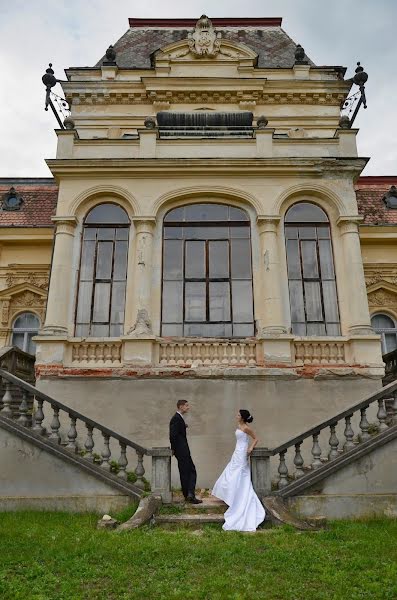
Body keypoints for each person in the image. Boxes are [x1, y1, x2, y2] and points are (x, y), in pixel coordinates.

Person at [212, 409, 265, 531]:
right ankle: (230, 493)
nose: (236, 416)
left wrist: (251, 447)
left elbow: (256, 438)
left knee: (239, 473)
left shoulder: (246, 428)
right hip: (237, 451)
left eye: (238, 415)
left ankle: (238, 495)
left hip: (242, 452)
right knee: (231, 471)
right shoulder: (239, 426)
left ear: (242, 417)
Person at [169, 399, 202, 504]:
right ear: (180, 406)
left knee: (186, 471)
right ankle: (190, 495)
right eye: (186, 405)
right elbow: (173, 435)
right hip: (181, 450)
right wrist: (174, 449)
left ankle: (188, 494)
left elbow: (177, 432)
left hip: (181, 449)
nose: (188, 407)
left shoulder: (179, 418)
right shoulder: (176, 418)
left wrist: (184, 426)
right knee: (190, 471)